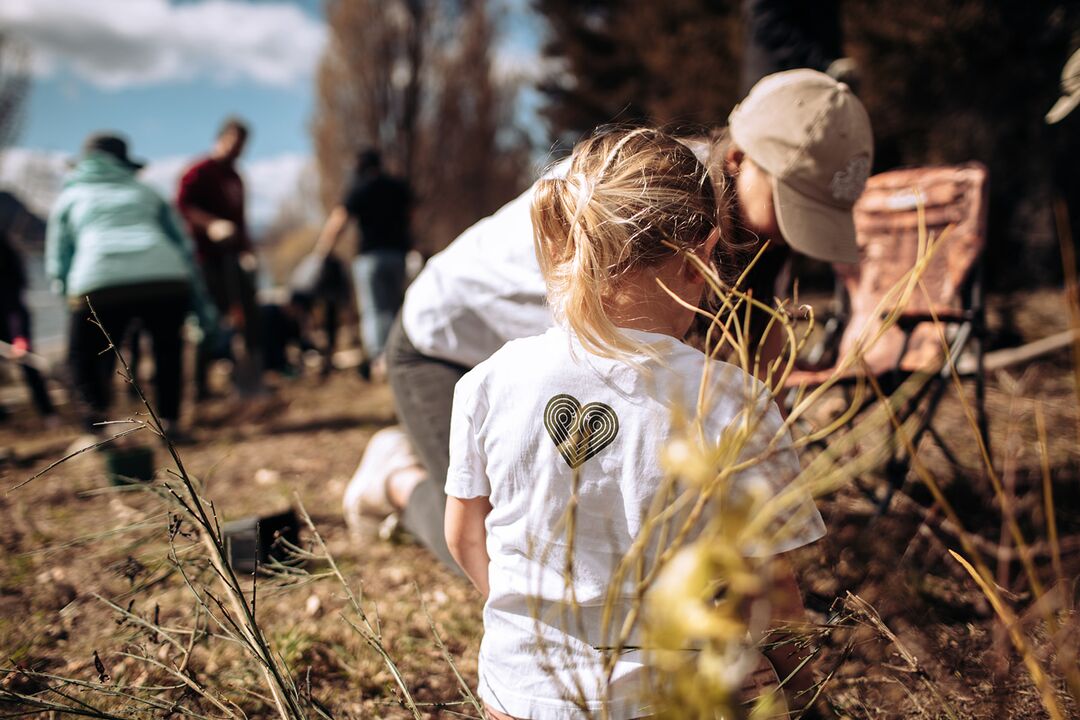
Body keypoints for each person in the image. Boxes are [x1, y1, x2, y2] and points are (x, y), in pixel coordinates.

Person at [353, 69, 871, 570]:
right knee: (505, 553)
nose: (795, 232)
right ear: (739, 157)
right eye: (793, 202)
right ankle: (395, 476)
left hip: (545, 363)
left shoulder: (750, 235)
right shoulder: (638, 195)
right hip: (443, 347)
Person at [443, 127, 827, 719]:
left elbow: (464, 535)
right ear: (702, 257)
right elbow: (773, 590)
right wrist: (796, 688)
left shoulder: (486, 384)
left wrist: (534, 625)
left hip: (518, 697)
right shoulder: (733, 401)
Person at [45, 132, 214, 439]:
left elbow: (59, 258)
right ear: (125, 164)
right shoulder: (147, 191)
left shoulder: (70, 197)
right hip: (165, 278)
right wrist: (200, 303)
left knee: (84, 358)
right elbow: (184, 244)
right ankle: (171, 424)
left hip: (99, 280)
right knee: (167, 350)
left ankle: (95, 431)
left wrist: (68, 295)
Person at [177, 117, 262, 398]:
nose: (237, 150)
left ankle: (248, 377)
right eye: (234, 143)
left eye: (242, 146)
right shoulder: (199, 171)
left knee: (248, 310)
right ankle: (199, 386)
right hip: (204, 258)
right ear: (221, 139)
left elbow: (241, 220)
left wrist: (247, 251)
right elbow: (182, 206)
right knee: (209, 319)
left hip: (231, 257)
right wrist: (210, 224)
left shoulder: (236, 178)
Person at [314, 149, 412, 379]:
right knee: (397, 308)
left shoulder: (360, 188)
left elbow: (339, 220)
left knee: (375, 309)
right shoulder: (397, 187)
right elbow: (412, 214)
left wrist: (322, 252)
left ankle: (381, 361)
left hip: (370, 257)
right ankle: (401, 354)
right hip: (398, 256)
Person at [0, 229, 56, 423]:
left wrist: (19, 338)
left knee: (29, 367)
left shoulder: (8, 274)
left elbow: (14, 306)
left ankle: (48, 412)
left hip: (11, 321)